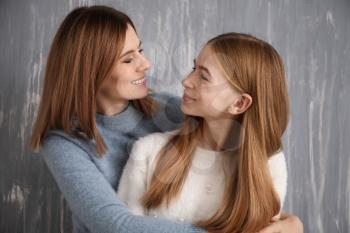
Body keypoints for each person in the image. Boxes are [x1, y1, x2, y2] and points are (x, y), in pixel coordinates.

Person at [30, 5, 303, 233]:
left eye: (140, 49)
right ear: (91, 71)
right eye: (128, 59)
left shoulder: (172, 110)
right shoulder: (64, 144)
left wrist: (292, 224)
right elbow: (115, 225)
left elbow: (239, 160)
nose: (145, 63)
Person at [118, 32, 291, 233]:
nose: (186, 81)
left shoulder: (269, 164)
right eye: (194, 68)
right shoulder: (148, 152)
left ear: (239, 103)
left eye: (204, 76)